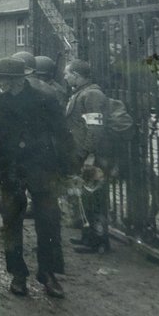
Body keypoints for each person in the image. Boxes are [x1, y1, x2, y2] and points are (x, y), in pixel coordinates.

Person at [0, 56, 72, 298]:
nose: (3, 83)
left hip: (41, 168)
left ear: (21, 79)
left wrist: (67, 167)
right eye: (1, 79)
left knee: (49, 219)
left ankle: (49, 274)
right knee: (11, 220)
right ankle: (18, 274)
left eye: (7, 79)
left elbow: (62, 134)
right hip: (9, 169)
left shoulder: (44, 100)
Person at [62, 60, 122, 253]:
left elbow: (95, 129)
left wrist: (88, 154)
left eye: (68, 73)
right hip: (86, 155)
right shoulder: (81, 93)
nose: (65, 77)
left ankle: (98, 241)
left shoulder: (92, 95)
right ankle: (89, 237)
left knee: (95, 199)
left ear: (77, 75)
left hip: (93, 157)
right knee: (87, 198)